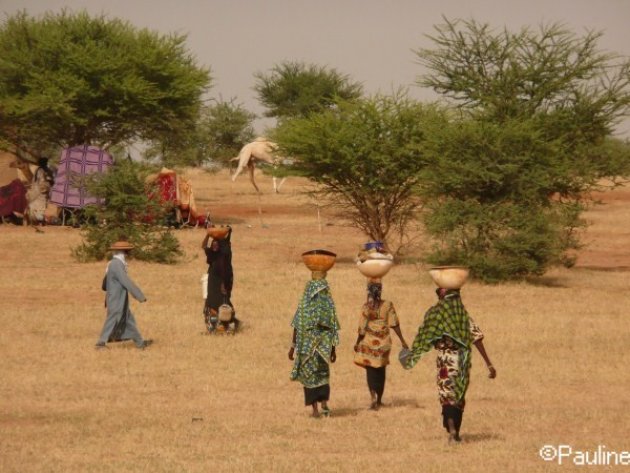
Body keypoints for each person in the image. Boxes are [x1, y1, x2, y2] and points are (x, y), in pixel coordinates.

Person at [404, 287, 496, 442]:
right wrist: (489, 364)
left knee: (446, 394)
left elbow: (425, 336)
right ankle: (456, 432)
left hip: (445, 362)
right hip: (462, 361)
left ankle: (452, 429)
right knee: (459, 395)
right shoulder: (462, 315)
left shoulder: (436, 314)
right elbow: (477, 339)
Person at [288, 270, 340, 418]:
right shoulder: (327, 305)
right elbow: (333, 327)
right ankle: (321, 406)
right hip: (318, 348)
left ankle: (319, 408)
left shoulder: (306, 304)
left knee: (314, 377)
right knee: (319, 376)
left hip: (310, 349)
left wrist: (293, 347)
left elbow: (298, 326)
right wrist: (333, 349)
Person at [354, 279, 409, 410]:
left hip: (369, 343)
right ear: (380, 292)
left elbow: (362, 328)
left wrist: (357, 342)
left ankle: (372, 396)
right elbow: (394, 323)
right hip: (384, 343)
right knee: (381, 371)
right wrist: (402, 340)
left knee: (370, 371)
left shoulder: (366, 307)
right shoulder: (388, 305)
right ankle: (379, 400)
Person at [96, 240, 152, 350]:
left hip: (119, 298)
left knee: (128, 320)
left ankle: (140, 343)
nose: (129, 253)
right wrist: (139, 295)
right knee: (113, 318)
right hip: (116, 299)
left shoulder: (114, 263)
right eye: (128, 251)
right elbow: (126, 281)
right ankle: (100, 343)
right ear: (124, 252)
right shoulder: (116, 264)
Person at [201, 227, 240, 333]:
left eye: (216, 244)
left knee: (224, 302)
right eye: (213, 243)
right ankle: (217, 325)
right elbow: (204, 246)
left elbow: (225, 270)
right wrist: (208, 235)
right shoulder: (212, 253)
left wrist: (223, 284)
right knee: (211, 302)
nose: (214, 245)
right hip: (213, 280)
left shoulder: (224, 253)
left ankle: (229, 322)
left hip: (224, 279)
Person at [26, 157, 55, 225]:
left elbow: (35, 180)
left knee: (39, 205)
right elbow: (50, 180)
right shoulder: (43, 170)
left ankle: (39, 220)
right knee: (40, 206)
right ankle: (39, 220)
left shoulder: (40, 170)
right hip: (40, 190)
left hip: (40, 190)